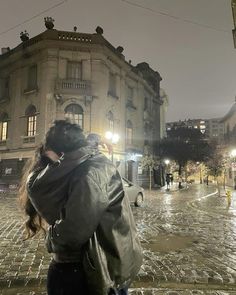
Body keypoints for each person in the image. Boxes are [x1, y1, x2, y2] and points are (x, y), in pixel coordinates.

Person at [19, 120, 142, 295]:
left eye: (50, 159)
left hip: (90, 271)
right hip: (104, 266)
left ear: (60, 154)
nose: (52, 166)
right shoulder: (93, 165)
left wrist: (50, 239)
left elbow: (73, 232)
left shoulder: (88, 171)